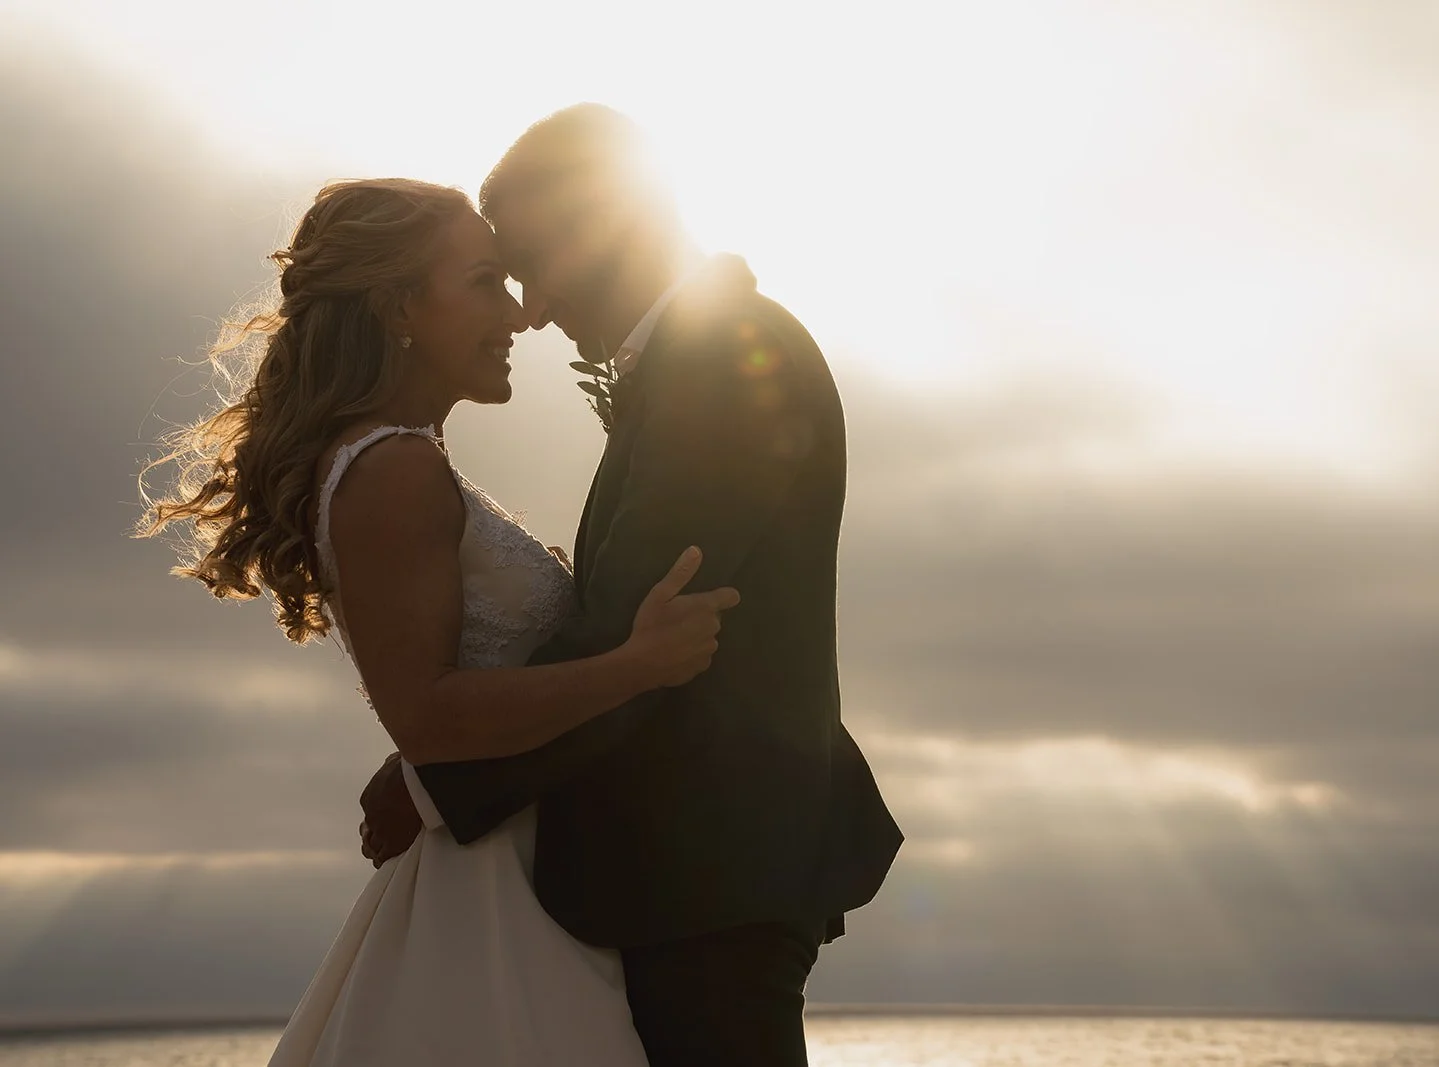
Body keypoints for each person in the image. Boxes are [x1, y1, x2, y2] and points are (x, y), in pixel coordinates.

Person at [140, 177, 738, 1065]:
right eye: (487, 282)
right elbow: (424, 714)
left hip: (530, 865)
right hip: (495, 894)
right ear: (400, 307)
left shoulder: (396, 461)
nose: (518, 316)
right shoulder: (394, 468)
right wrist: (636, 664)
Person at [359, 105, 903, 1066]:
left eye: (528, 264)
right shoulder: (695, 360)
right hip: (690, 865)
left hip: (709, 865)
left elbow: (627, 629)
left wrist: (438, 779)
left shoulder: (726, 360)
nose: (527, 310)